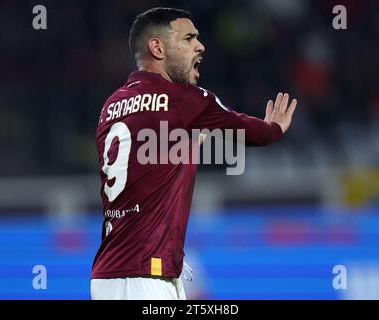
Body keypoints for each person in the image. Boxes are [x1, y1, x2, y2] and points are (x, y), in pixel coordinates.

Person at [91, 7, 297, 300]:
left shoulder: (111, 106)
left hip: (109, 274)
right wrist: (274, 127)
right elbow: (256, 133)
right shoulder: (182, 99)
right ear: (157, 47)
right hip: (147, 276)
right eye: (188, 38)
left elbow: (145, 168)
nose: (199, 46)